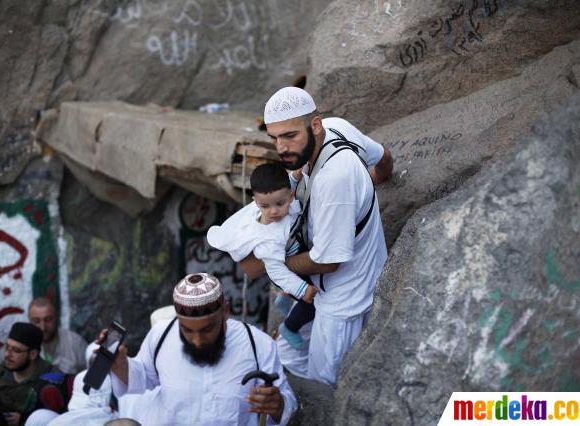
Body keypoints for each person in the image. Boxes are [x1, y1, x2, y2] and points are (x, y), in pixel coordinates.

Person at [240, 87, 393, 386]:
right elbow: (384, 157)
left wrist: (272, 263)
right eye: (274, 138)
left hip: (344, 302)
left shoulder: (333, 181)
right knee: (283, 352)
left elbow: (329, 261)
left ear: (315, 125)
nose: (281, 147)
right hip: (326, 289)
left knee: (325, 382)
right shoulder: (339, 128)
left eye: (289, 136)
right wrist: (376, 180)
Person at [106, 273, 297, 425]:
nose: (197, 341)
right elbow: (143, 377)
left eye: (207, 330)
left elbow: (285, 400)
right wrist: (120, 366)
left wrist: (278, 404)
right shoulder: (161, 335)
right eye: (187, 330)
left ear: (225, 312)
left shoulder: (258, 344)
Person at [207, 162, 316, 349]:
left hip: (295, 249)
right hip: (288, 272)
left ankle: (284, 296)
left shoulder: (279, 200)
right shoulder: (267, 241)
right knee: (313, 305)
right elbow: (277, 271)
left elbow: (283, 186)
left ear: (290, 196)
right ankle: (289, 327)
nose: (273, 211)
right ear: (256, 202)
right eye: (265, 206)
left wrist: (295, 176)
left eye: (279, 204)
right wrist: (302, 290)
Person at [0, 323, 71, 425]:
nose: (8, 355)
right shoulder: (4, 370)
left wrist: (24, 420)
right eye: (7, 347)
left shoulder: (53, 378)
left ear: (33, 354)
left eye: (16, 350)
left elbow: (58, 419)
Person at [28, 297, 87, 375]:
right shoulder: (23, 347)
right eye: (36, 321)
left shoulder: (76, 342)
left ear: (57, 317)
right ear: (29, 321)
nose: (43, 327)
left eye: (48, 319)